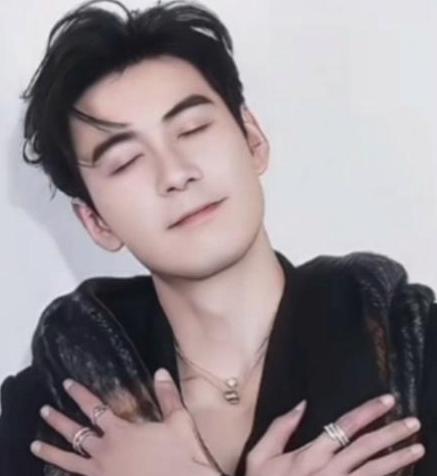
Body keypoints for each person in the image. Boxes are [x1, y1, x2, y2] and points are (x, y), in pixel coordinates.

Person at [0, 1, 436, 475]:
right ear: (96, 222)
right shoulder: (53, 410)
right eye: (125, 162)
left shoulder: (417, 347)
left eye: (193, 129)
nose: (175, 174)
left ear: (252, 140)